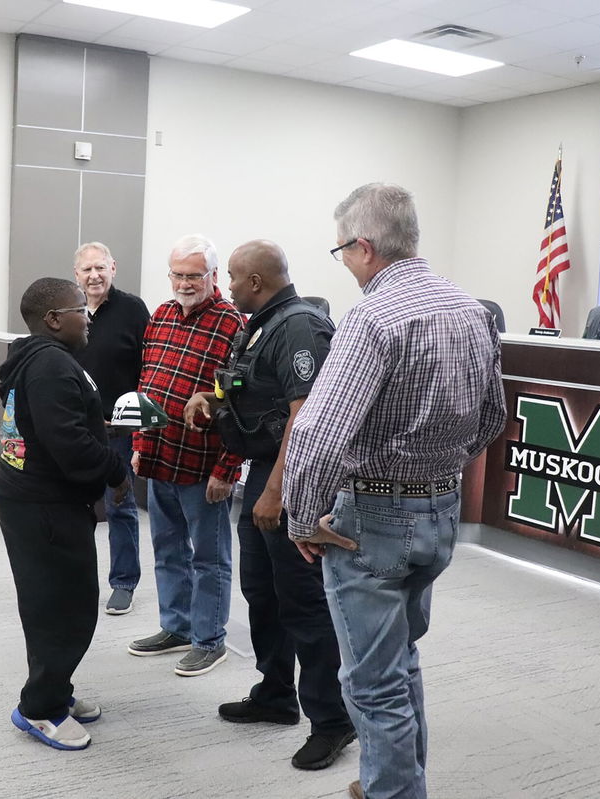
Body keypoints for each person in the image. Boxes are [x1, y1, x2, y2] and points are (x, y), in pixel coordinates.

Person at [282, 183, 506, 799]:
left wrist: (302, 518)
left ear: (363, 246)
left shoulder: (373, 317)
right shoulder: (471, 309)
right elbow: (492, 417)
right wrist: (439, 470)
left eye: (340, 253)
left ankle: (393, 793)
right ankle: (395, 781)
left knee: (372, 682)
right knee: (401, 660)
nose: (345, 265)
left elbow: (317, 434)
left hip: (373, 520)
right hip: (440, 513)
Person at [184, 239, 356, 770]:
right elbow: (246, 385)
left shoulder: (299, 326)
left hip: (293, 475)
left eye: (232, 277)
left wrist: (276, 491)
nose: (227, 285)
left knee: (302, 601)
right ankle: (276, 694)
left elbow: (304, 417)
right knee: (262, 589)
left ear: (256, 280)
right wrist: (210, 400)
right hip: (263, 468)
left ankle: (332, 721)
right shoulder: (260, 321)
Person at [0, 277, 128, 751]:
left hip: (35, 497)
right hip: (43, 504)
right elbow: (69, 446)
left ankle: (56, 691)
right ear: (53, 319)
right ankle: (40, 709)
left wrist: (95, 422)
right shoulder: (50, 365)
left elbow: (51, 423)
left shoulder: (36, 356)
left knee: (56, 601)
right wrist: (116, 469)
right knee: (61, 609)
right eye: (79, 309)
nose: (87, 316)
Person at [128, 234, 244, 677]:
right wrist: (140, 445)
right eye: (178, 274)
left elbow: (239, 405)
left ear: (213, 276)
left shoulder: (234, 323)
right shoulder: (160, 315)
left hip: (203, 464)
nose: (185, 282)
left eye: (194, 275)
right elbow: (147, 384)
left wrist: (227, 469)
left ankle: (209, 638)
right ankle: (175, 627)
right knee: (166, 549)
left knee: (208, 557)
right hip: (159, 456)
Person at [71, 242, 150, 616]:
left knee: (120, 507)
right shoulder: (69, 310)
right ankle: (74, 580)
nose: (94, 276)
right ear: (77, 275)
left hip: (118, 429)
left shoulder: (132, 310)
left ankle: (123, 582)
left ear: (113, 268)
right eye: (87, 270)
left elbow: (147, 370)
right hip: (76, 428)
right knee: (73, 506)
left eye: (100, 268)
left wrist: (136, 428)